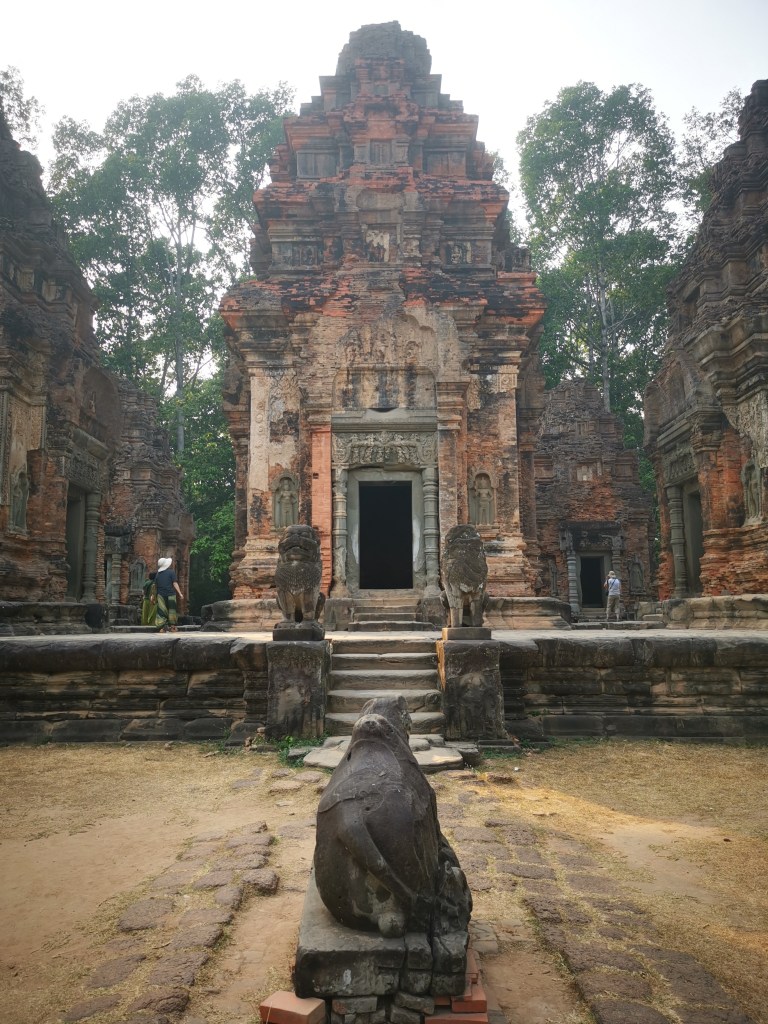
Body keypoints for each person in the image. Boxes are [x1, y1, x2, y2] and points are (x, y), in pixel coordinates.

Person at [154, 556, 184, 633]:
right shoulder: (171, 572)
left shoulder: (158, 574)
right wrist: (180, 593)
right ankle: (173, 627)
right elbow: (174, 583)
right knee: (172, 610)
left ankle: (162, 627)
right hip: (170, 594)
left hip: (160, 594)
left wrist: (153, 595)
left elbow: (155, 586)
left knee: (161, 611)